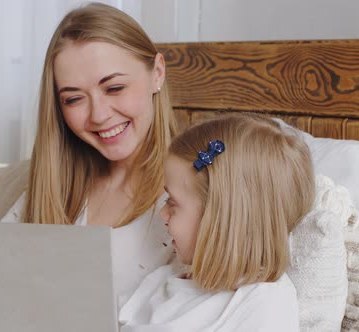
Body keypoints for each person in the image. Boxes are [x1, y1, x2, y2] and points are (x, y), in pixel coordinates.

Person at [0, 3, 179, 329]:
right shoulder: (56, 188)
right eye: (74, 98)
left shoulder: (193, 196)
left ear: (158, 73)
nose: (99, 115)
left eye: (115, 88)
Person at [118, 113, 315, 331]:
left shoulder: (264, 304)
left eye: (172, 204)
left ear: (220, 219)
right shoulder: (166, 278)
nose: (162, 214)